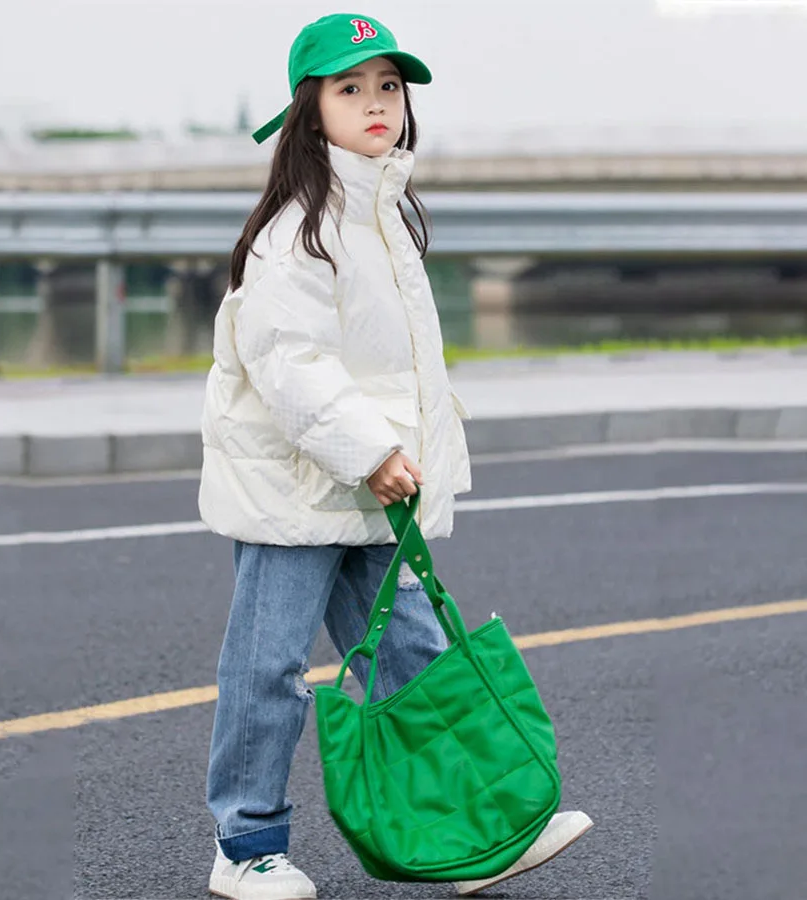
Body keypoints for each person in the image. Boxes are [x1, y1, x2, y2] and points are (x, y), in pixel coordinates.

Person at [198, 13, 591, 900]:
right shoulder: (296, 231)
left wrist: (399, 458)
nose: (376, 102)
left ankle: (479, 832)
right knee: (268, 669)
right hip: (298, 489)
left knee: (415, 654)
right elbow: (290, 362)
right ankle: (246, 846)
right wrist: (371, 449)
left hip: (371, 486)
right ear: (309, 109)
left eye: (388, 86)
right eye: (351, 88)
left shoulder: (384, 214)